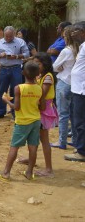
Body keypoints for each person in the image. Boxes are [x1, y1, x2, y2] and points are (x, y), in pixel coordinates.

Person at [0, 61, 45, 181]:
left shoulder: (18, 88)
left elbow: (16, 107)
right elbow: (42, 107)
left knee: (14, 146)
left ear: (23, 73)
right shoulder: (39, 89)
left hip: (22, 122)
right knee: (33, 147)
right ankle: (29, 172)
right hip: (35, 121)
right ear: (37, 74)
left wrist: (6, 100)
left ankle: (6, 172)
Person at [0, 26, 30, 119]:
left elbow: (27, 54)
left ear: (14, 34)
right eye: (6, 36)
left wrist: (16, 56)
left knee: (15, 90)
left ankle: (15, 112)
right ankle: (1, 111)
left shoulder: (20, 42)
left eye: (10, 36)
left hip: (16, 69)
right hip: (3, 69)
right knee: (2, 90)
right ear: (4, 34)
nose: (8, 38)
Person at [51, 25, 79, 150]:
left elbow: (55, 66)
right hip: (75, 84)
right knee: (73, 113)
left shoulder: (66, 51)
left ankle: (62, 141)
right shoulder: (79, 49)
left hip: (64, 82)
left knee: (63, 114)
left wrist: (59, 67)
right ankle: (75, 139)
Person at [32, 52, 58, 177]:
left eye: (38, 63)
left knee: (44, 139)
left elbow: (42, 94)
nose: (36, 66)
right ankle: (32, 158)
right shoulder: (41, 76)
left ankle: (49, 169)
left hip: (44, 110)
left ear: (45, 64)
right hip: (40, 108)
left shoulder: (47, 77)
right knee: (35, 137)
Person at [64, 21, 85, 162]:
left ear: (83, 32)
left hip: (82, 90)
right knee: (78, 121)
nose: (73, 33)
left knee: (80, 122)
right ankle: (80, 147)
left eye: (76, 30)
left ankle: (82, 152)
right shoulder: (82, 46)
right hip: (78, 89)